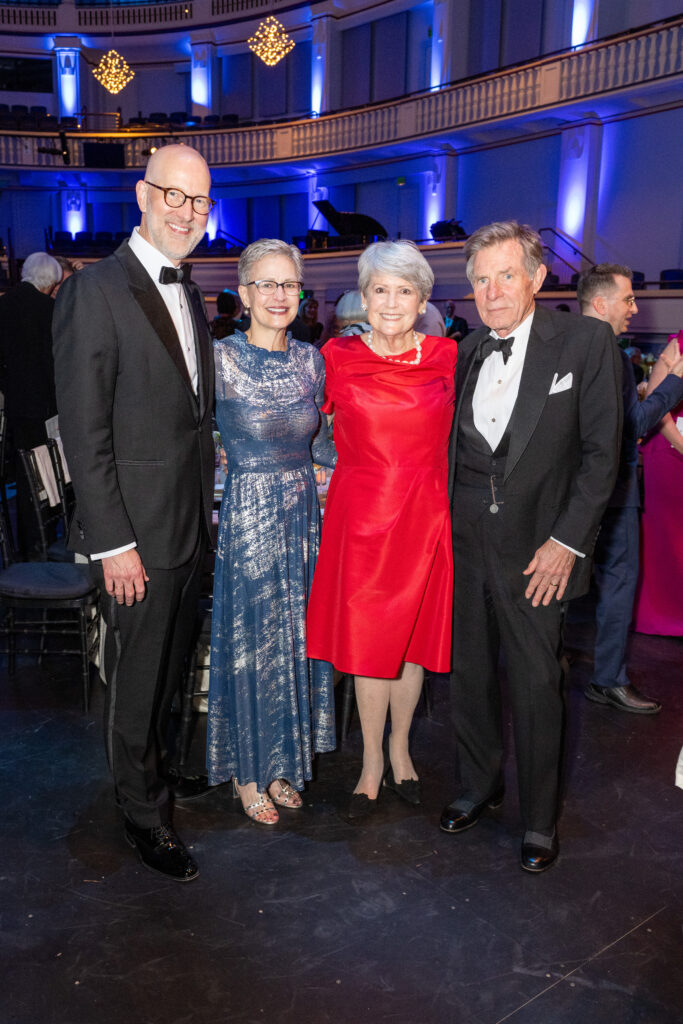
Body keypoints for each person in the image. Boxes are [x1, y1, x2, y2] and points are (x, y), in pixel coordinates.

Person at [53, 144, 217, 882]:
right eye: (174, 196)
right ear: (143, 195)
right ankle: (141, 812)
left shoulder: (193, 291)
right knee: (136, 678)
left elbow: (186, 416)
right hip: (136, 537)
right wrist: (112, 542)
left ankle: (159, 770)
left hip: (188, 529)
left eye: (200, 201)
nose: (187, 211)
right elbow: (85, 436)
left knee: (171, 670)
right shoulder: (95, 292)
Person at [441, 222, 622, 873]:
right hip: (464, 546)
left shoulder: (584, 342)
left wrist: (566, 543)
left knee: (536, 685)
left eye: (505, 275)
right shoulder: (463, 352)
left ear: (537, 278)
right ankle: (476, 786)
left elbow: (603, 456)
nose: (491, 291)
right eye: (480, 279)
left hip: (539, 554)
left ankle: (539, 820)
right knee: (470, 678)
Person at [307, 240, 458, 823]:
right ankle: (371, 758)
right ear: (362, 298)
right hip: (361, 517)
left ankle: (401, 749)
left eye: (404, 291)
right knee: (371, 648)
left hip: (424, 516)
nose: (390, 301)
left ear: (422, 300)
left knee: (412, 644)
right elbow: (307, 429)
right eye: (379, 290)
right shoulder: (335, 358)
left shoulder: (447, 357)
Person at [207, 239, 337, 824]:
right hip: (248, 516)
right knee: (252, 642)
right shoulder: (220, 360)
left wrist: (330, 475)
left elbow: (327, 443)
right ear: (244, 294)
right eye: (267, 284)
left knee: (295, 641)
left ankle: (284, 763)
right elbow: (189, 435)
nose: (280, 296)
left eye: (290, 285)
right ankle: (248, 772)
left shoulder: (313, 361)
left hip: (303, 519)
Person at [577, 266, 683, 712]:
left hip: (570, 489)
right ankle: (608, 679)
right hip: (615, 489)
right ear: (602, 304)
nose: (635, 308)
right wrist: (672, 386)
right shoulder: (611, 355)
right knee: (619, 581)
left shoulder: (561, 345)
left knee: (563, 588)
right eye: (629, 300)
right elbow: (632, 428)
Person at [0, 251, 62, 557]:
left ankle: (28, 548)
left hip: (15, 408)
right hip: (47, 409)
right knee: (49, 479)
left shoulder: (3, 305)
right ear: (50, 282)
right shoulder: (50, 310)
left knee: (25, 481)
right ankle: (46, 542)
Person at [633, 330, 683, 636]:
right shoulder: (679, 344)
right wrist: (681, 446)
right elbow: (655, 401)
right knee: (671, 537)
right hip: (670, 451)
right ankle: (665, 614)